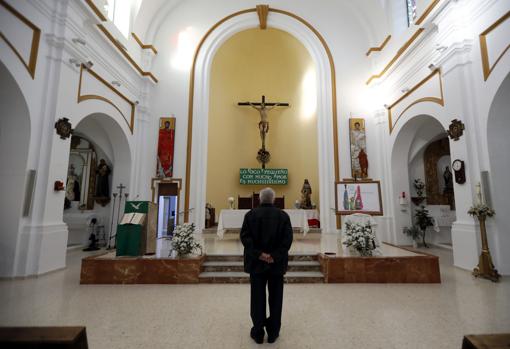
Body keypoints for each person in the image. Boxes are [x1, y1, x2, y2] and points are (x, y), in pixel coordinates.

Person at [240, 187, 293, 344]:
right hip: (276, 265)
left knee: (257, 298)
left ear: (259, 199)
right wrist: (273, 256)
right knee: (276, 298)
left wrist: (259, 254)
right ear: (274, 200)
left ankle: (258, 332)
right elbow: (287, 240)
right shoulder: (283, 216)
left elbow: (245, 238)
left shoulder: (250, 215)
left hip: (256, 264)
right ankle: (273, 332)